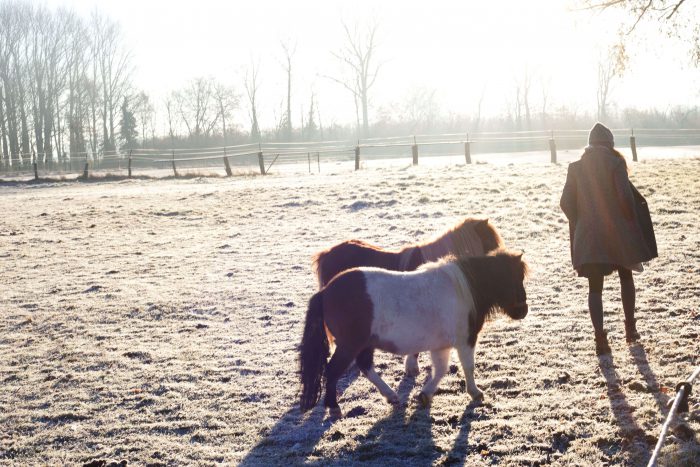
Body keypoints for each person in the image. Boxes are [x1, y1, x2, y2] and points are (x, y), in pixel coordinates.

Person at [560, 122, 657, 355]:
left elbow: (565, 203)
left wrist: (581, 221)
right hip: (617, 233)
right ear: (609, 145)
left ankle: (600, 339)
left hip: (589, 237)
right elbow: (625, 198)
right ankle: (630, 329)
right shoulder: (616, 163)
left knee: (595, 287)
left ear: (590, 145)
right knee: (626, 276)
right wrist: (627, 222)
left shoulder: (576, 167)